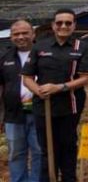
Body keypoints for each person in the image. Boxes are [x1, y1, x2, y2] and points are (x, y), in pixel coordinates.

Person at [22, 9, 88, 182]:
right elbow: (27, 78)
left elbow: (86, 78)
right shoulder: (40, 46)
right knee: (47, 149)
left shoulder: (81, 47)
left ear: (74, 25)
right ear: (53, 25)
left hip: (71, 106)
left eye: (68, 23)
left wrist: (60, 87)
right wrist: (38, 90)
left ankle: (69, 179)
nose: (63, 26)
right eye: (59, 22)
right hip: (44, 107)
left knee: (68, 147)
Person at [1, 20, 41, 182]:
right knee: (15, 153)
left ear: (33, 34)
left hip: (39, 113)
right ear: (11, 37)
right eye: (16, 34)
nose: (21, 37)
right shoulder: (4, 58)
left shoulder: (43, 54)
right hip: (13, 115)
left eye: (25, 33)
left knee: (39, 151)